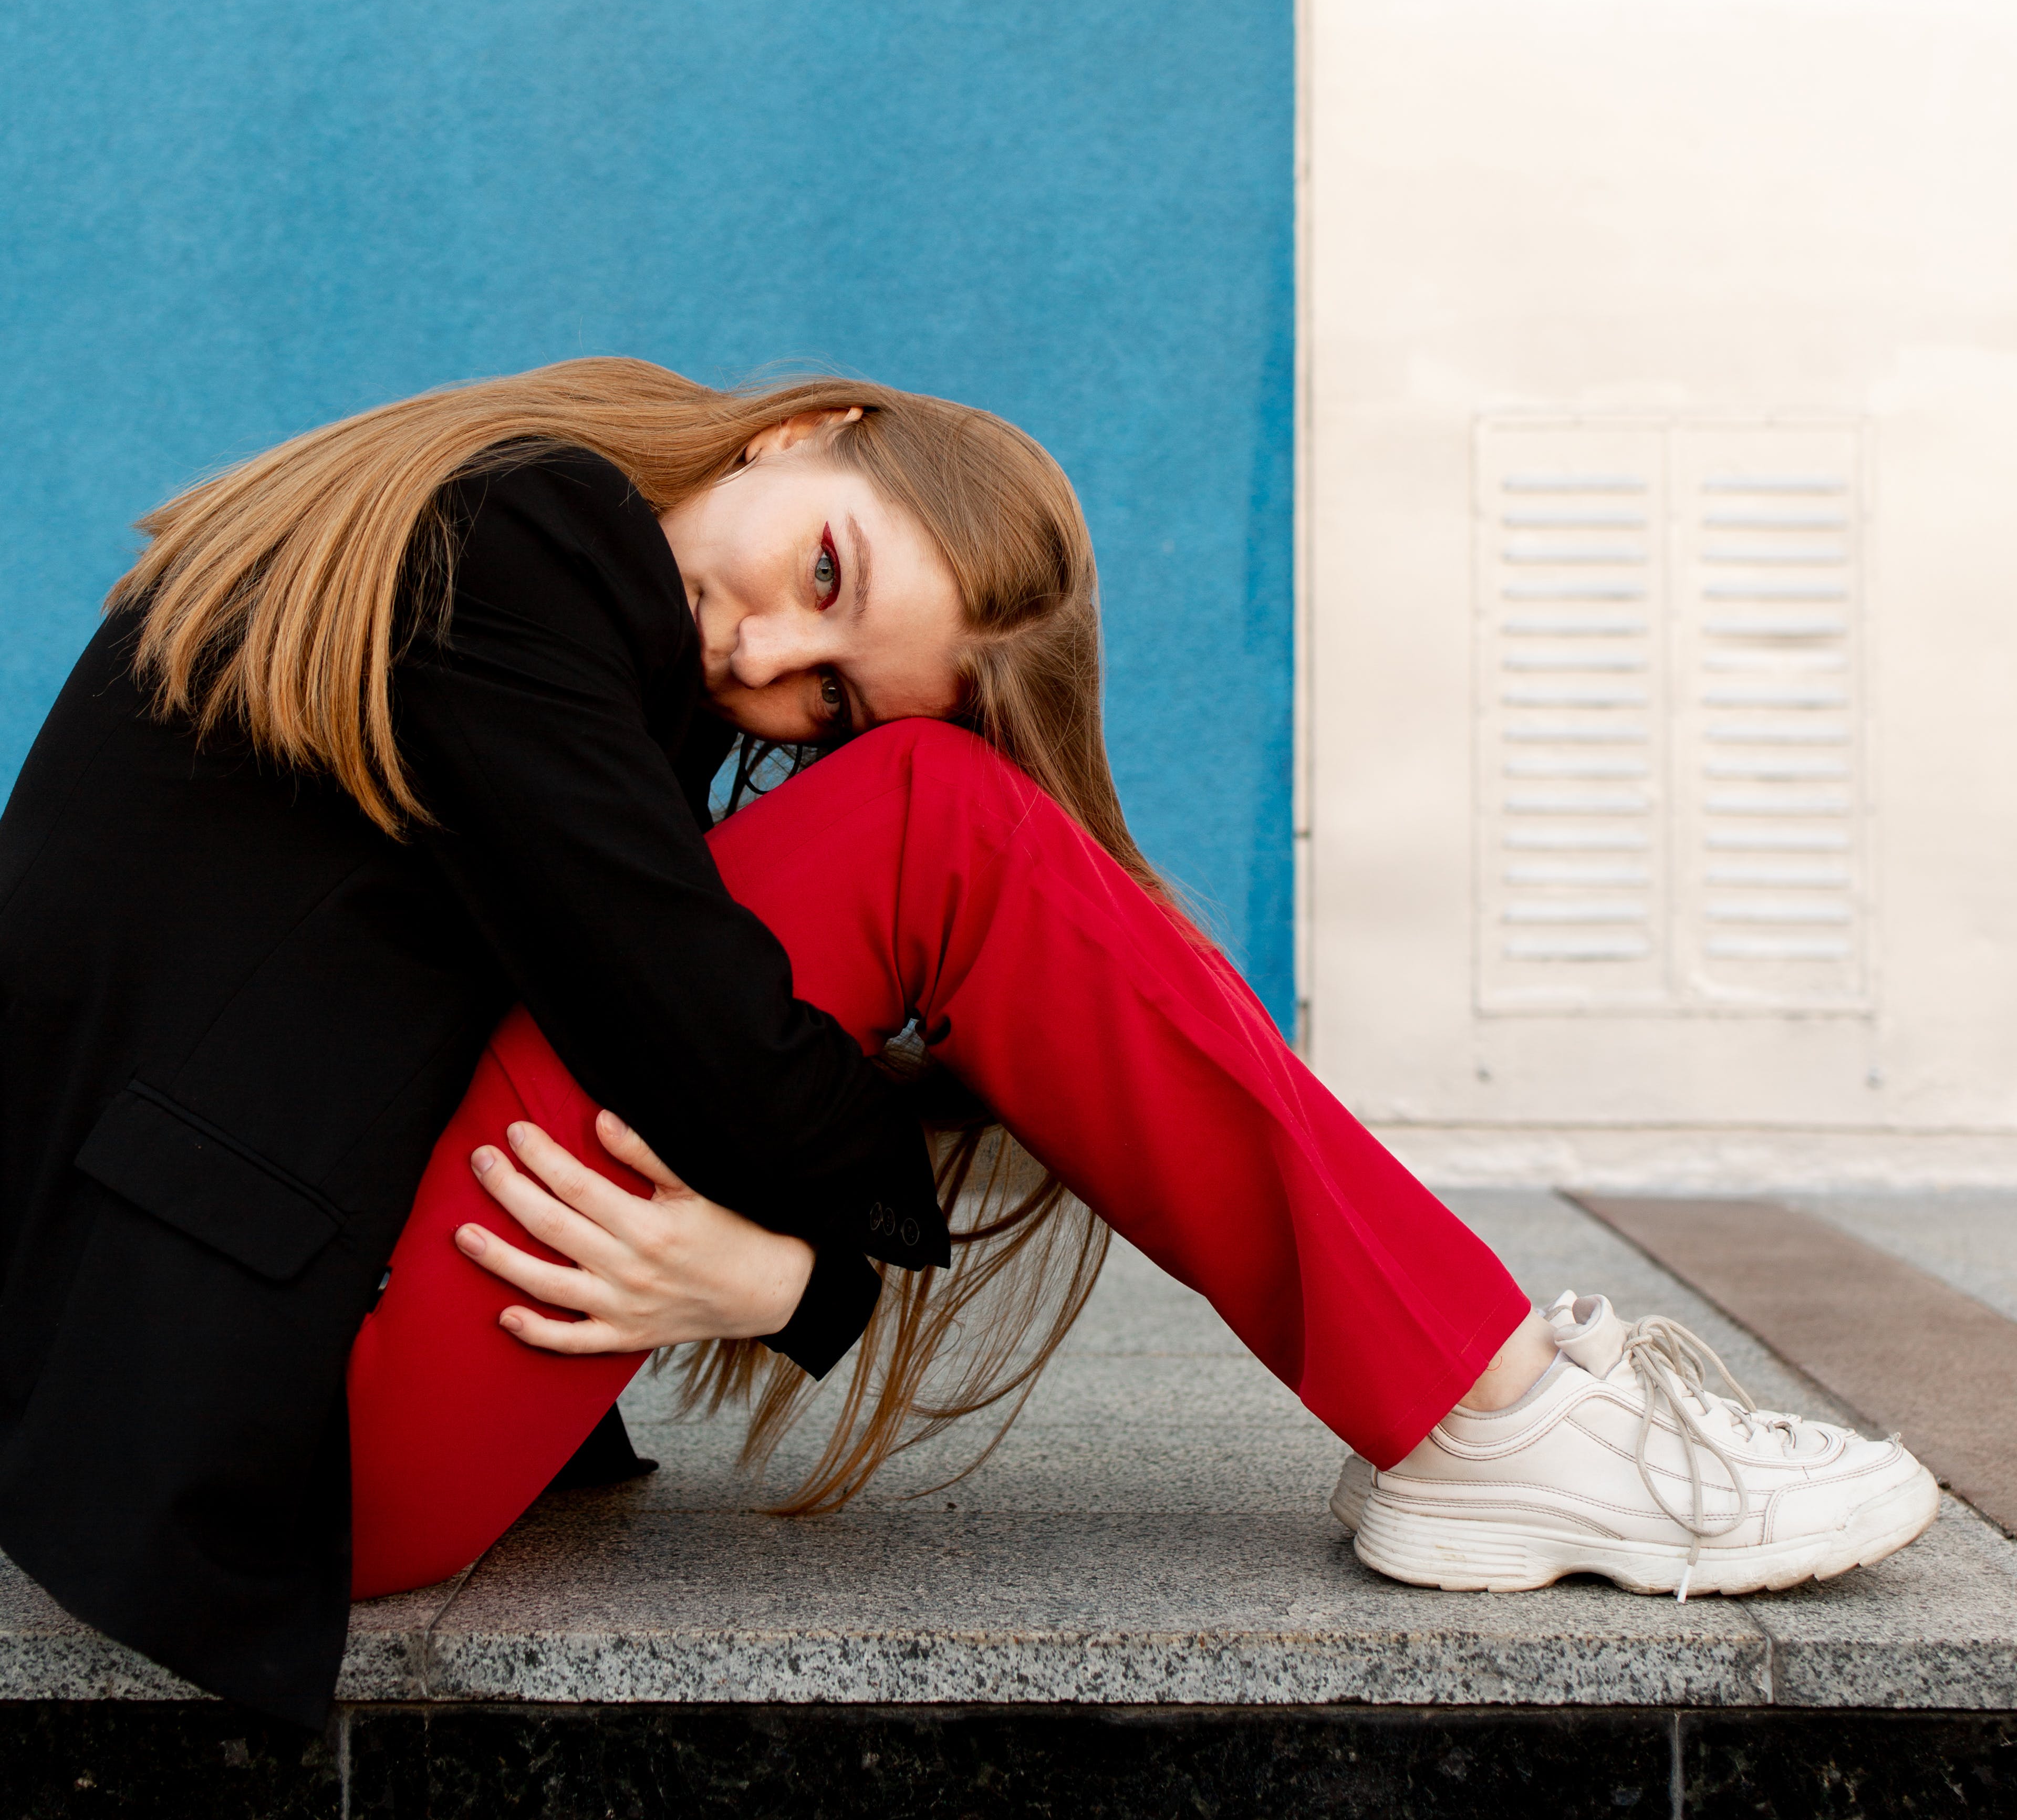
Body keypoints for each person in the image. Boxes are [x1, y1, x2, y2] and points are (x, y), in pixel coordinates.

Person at [0, 361, 1937, 1726]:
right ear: (804, 429)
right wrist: (808, 1282)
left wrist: (792, 1261)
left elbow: (650, 1030)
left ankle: (1493, 1397)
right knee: (938, 818)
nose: (767, 661)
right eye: (822, 577)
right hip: (296, 1428)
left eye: (829, 694)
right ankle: (1495, 1413)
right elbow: (708, 1053)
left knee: (929, 811)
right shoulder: (524, 539)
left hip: (270, 1390)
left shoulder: (506, 563)